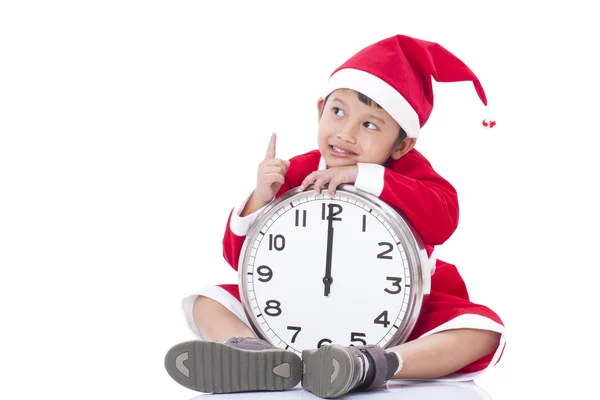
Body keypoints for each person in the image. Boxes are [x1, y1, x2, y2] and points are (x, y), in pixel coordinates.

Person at [164, 34, 506, 399]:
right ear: (319, 110)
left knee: (483, 331)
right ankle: (255, 353)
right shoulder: (296, 172)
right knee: (208, 301)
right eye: (338, 112)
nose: (346, 133)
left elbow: (443, 218)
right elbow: (239, 260)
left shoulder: (410, 173)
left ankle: (375, 363)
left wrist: (366, 176)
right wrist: (260, 198)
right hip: (295, 305)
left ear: (401, 145)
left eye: (370, 125)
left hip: (404, 310)